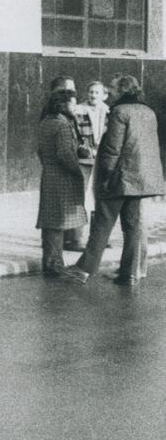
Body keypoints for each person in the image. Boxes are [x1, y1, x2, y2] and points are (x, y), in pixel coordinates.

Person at [68, 75, 164, 285]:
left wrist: (106, 176)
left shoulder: (120, 112)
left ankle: (84, 270)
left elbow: (112, 148)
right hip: (141, 178)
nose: (110, 93)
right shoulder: (148, 111)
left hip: (120, 177)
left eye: (112, 89)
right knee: (132, 226)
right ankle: (129, 273)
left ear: (122, 91)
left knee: (103, 223)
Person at [35, 88, 86, 277]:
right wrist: (77, 171)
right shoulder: (63, 125)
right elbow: (65, 154)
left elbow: (40, 151)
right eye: (72, 103)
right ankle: (55, 264)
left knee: (50, 219)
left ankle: (50, 261)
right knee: (59, 220)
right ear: (62, 105)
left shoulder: (46, 121)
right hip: (62, 176)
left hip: (48, 174)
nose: (75, 106)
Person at [72, 79, 108, 252]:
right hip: (84, 160)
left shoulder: (109, 112)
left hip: (102, 160)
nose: (93, 95)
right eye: (91, 92)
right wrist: (85, 149)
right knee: (81, 197)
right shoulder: (78, 110)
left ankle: (98, 238)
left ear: (104, 95)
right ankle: (76, 238)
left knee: (99, 197)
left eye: (97, 92)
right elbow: (75, 135)